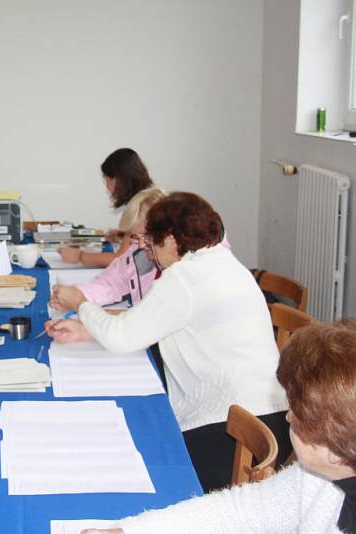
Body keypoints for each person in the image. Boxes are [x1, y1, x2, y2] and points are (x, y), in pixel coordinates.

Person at [47, 192, 289, 492]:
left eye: (152, 243)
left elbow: (121, 338)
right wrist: (87, 329)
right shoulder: (227, 264)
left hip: (230, 429)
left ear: (172, 241)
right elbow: (150, 324)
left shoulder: (182, 279)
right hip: (274, 416)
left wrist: (81, 302)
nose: (149, 252)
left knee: (138, 457)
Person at [81, 319, 356, 534]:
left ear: (334, 447)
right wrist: (130, 531)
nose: (287, 417)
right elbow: (246, 510)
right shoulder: (320, 473)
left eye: (296, 415)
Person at [51, 186, 166, 311]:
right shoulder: (137, 251)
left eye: (146, 236)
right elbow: (112, 283)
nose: (140, 245)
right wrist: (78, 294)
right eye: (135, 237)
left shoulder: (176, 271)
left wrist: (82, 304)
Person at [59, 147, 153, 268]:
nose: (107, 187)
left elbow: (121, 259)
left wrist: (79, 256)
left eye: (107, 180)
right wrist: (123, 235)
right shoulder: (146, 199)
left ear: (117, 180)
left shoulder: (141, 207)